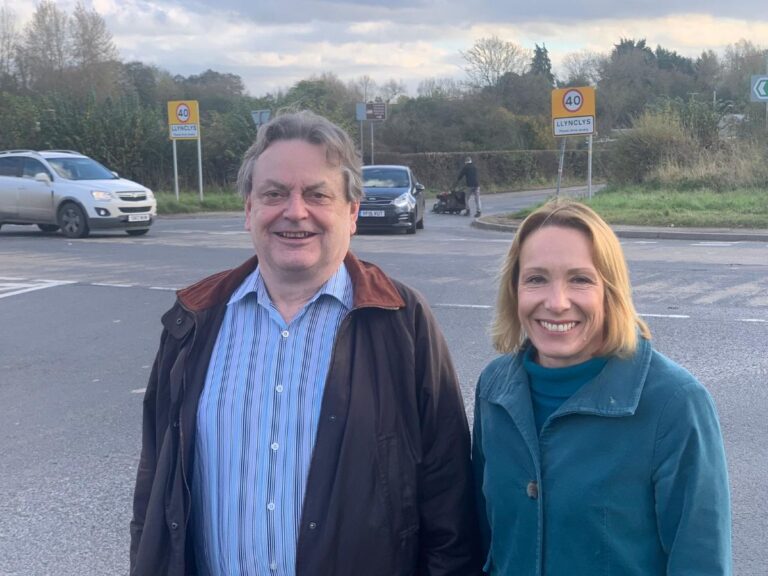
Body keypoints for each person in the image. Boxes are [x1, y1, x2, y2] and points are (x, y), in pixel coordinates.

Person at [130, 111, 481, 576]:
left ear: (352, 213)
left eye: (317, 195)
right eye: (274, 194)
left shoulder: (402, 322)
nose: (295, 212)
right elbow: (155, 492)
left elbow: (448, 501)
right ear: (249, 210)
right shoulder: (193, 322)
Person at [472, 199, 732, 575]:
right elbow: (486, 539)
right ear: (514, 290)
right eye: (536, 279)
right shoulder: (493, 390)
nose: (556, 303)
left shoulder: (675, 404)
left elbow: (701, 563)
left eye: (580, 279)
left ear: (610, 291)